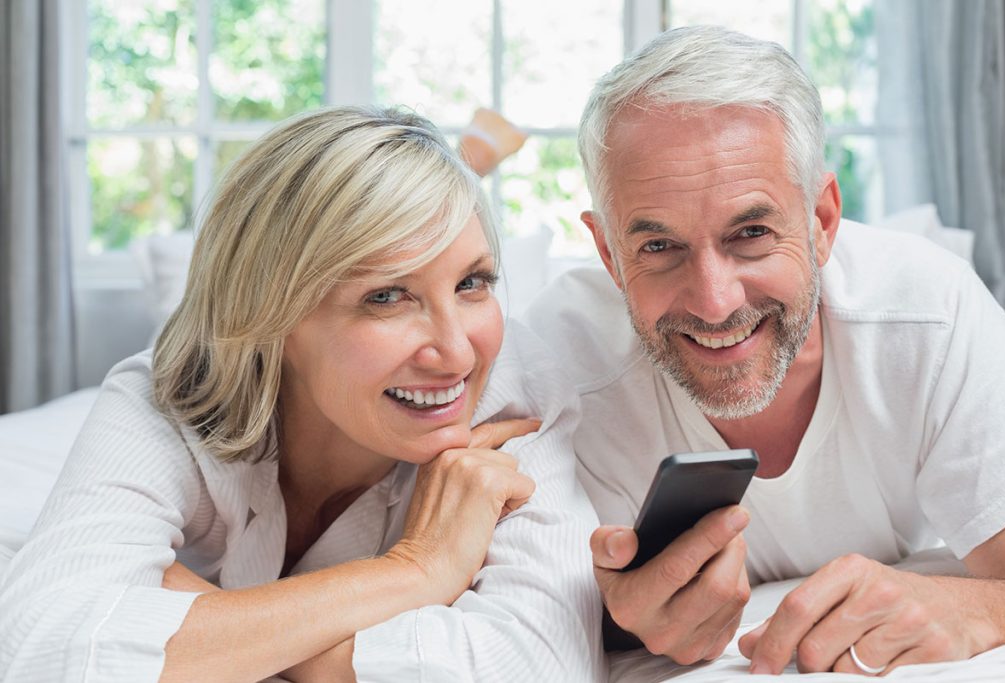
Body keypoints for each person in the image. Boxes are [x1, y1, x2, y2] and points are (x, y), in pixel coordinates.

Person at [0, 106, 603, 682]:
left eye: (473, 282)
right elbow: (38, 653)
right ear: (269, 315)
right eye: (388, 295)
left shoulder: (514, 399)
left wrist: (206, 619)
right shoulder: (169, 393)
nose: (458, 353)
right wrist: (412, 571)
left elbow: (538, 669)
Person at [525, 25, 1005, 676]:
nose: (714, 301)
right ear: (607, 255)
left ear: (822, 220)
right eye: (658, 247)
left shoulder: (928, 315)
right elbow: (525, 625)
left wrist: (973, 610)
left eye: (752, 233)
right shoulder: (554, 372)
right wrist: (619, 624)